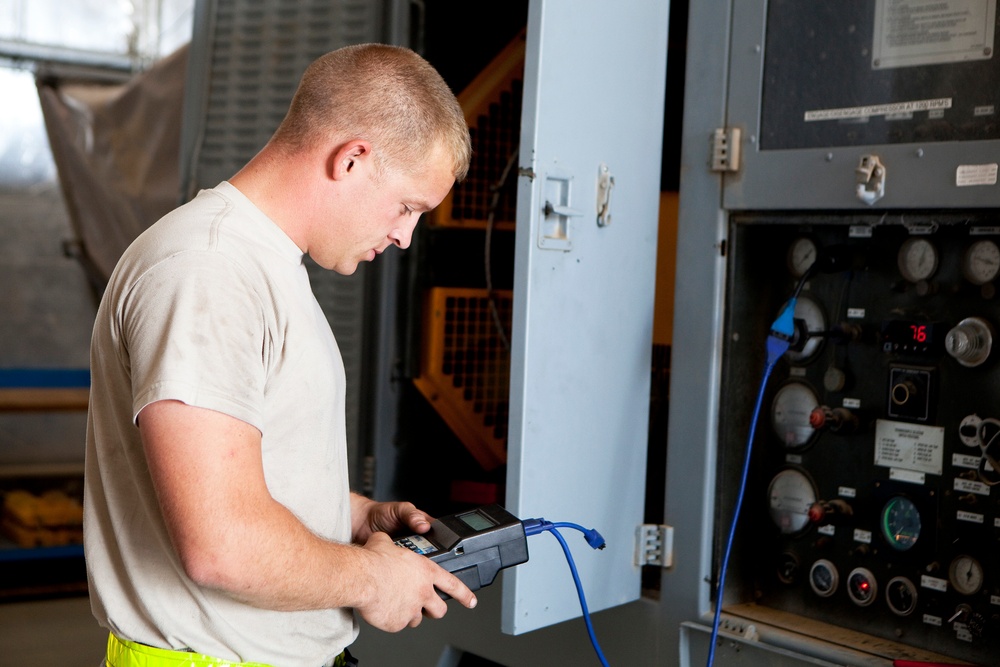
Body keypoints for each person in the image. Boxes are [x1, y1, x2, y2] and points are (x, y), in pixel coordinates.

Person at [83, 43, 476, 667]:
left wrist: (358, 516)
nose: (405, 236)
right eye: (408, 207)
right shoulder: (208, 271)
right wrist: (374, 580)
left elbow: (240, 480)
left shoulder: (260, 267)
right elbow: (222, 543)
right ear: (351, 159)